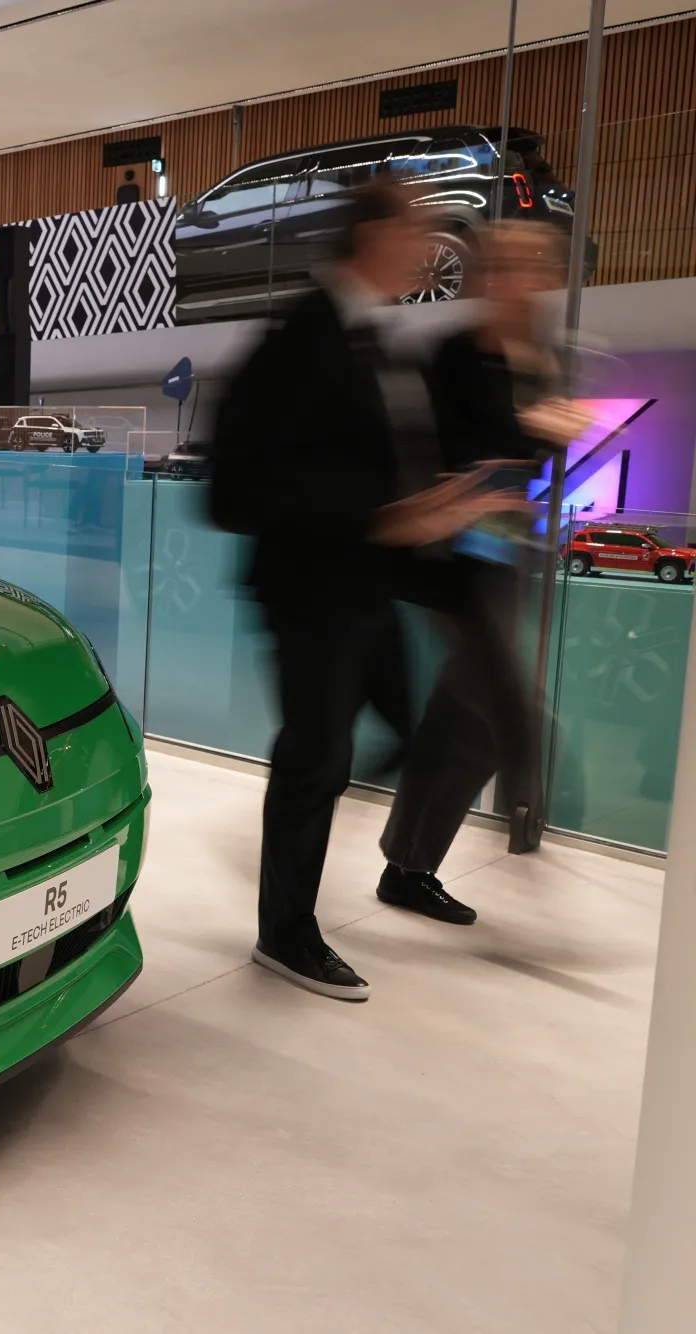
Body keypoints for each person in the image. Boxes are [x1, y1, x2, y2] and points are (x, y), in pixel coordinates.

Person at [209, 180, 517, 1002]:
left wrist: (448, 506)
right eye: (418, 229)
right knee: (318, 760)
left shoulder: (383, 339)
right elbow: (232, 491)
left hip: (370, 592)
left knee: (399, 739)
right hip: (311, 593)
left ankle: (367, 844)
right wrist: (380, 518)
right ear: (373, 234)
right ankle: (287, 934)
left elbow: (388, 471)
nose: (429, 246)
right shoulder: (299, 340)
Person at [374, 220, 585, 923]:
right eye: (516, 263)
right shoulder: (454, 355)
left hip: (507, 556)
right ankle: (423, 858)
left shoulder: (543, 357)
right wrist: (534, 432)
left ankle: (406, 865)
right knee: (505, 715)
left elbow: (536, 468)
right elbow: (445, 454)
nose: (530, 276)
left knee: (460, 718)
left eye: (540, 264)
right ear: (491, 274)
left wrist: (557, 437)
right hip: (454, 560)